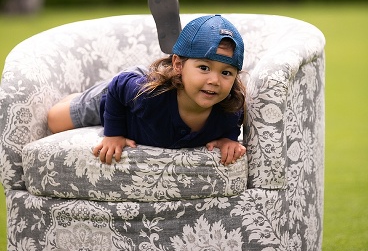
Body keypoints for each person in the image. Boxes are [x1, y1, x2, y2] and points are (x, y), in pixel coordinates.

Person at [47, 9, 247, 166]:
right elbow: (119, 85)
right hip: (119, 100)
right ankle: (75, 97)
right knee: (55, 120)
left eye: (226, 73)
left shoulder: (229, 107)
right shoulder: (147, 95)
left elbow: (233, 121)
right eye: (204, 67)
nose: (215, 80)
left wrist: (228, 139)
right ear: (178, 65)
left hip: (144, 103)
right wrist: (114, 134)